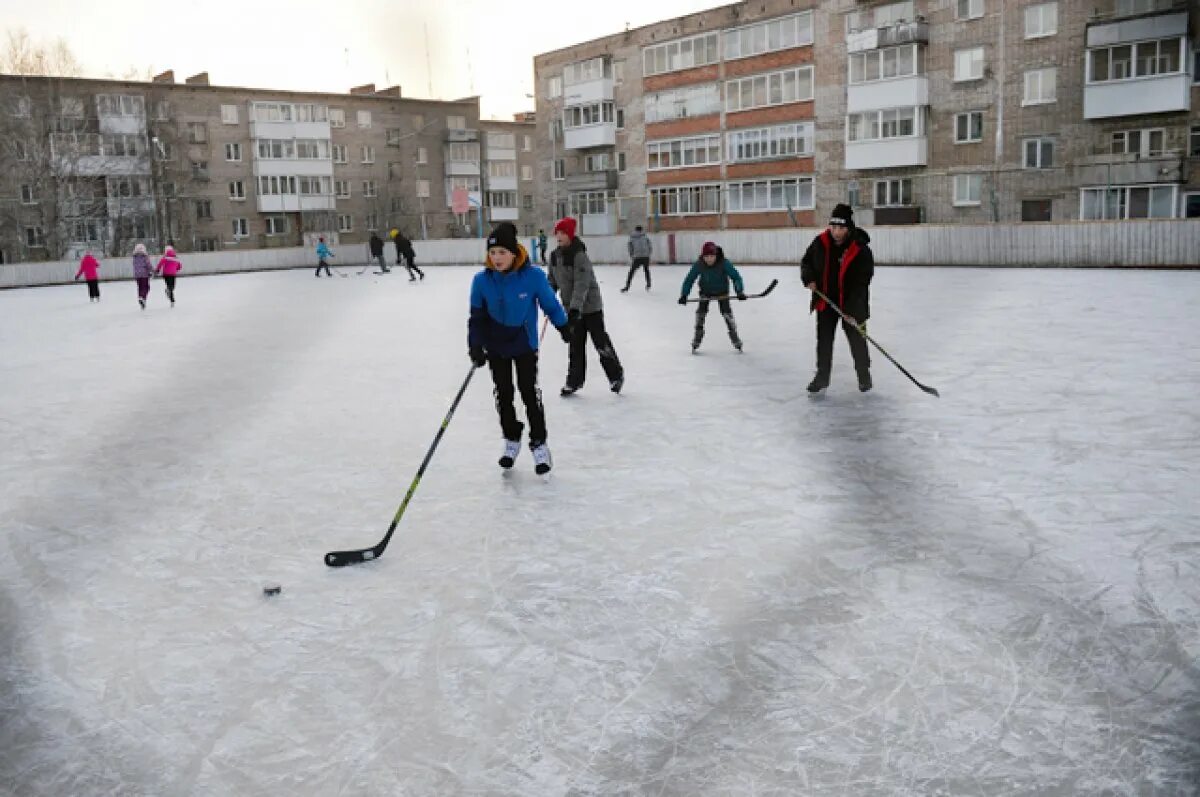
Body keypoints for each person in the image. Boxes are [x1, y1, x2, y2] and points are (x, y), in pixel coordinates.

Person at [469, 222, 570, 475]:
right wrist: (475, 346)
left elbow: (550, 304)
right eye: (492, 253)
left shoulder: (533, 276)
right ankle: (511, 438)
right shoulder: (481, 280)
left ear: (514, 253)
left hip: (524, 343)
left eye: (502, 252)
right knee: (503, 392)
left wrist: (564, 326)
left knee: (528, 392)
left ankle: (539, 444)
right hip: (495, 344)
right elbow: (477, 317)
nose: (497, 258)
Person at [800, 203, 875, 393]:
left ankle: (864, 375)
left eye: (841, 228)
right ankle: (822, 377)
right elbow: (806, 262)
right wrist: (808, 278)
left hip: (853, 303)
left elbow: (862, 282)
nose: (836, 232)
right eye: (833, 227)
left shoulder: (860, 249)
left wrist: (851, 311)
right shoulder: (820, 242)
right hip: (826, 300)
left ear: (848, 228)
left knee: (857, 340)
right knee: (824, 341)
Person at [549, 217, 625, 396]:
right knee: (575, 345)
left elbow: (582, 284)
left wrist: (576, 308)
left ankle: (616, 375)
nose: (559, 236)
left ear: (570, 234)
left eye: (563, 233)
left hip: (590, 307)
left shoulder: (579, 255)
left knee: (600, 342)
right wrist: (547, 295)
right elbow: (552, 279)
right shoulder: (554, 256)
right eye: (557, 233)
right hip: (572, 309)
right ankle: (574, 381)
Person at [678, 242, 745, 353]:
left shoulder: (724, 263)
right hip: (706, 291)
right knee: (700, 314)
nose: (709, 259)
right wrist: (684, 295)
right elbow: (689, 279)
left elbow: (736, 277)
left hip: (722, 291)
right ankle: (697, 339)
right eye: (706, 257)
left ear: (716, 255)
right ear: (703, 256)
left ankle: (735, 339)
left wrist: (739, 291)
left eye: (712, 256)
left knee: (727, 314)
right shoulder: (699, 264)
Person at [622, 225, 653, 292]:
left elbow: (630, 247)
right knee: (646, 270)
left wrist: (632, 255)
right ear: (641, 230)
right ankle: (648, 284)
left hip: (637, 257)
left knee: (631, 272)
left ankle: (627, 287)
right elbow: (650, 245)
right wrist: (648, 253)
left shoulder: (632, 237)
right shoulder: (645, 236)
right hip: (645, 256)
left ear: (635, 230)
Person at [132, 243, 153, 309]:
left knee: (140, 287)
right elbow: (148, 264)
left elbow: (134, 265)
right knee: (146, 287)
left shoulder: (134, 257)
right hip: (144, 274)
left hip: (137, 275)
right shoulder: (145, 256)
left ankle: (141, 297)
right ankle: (143, 298)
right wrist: (152, 270)